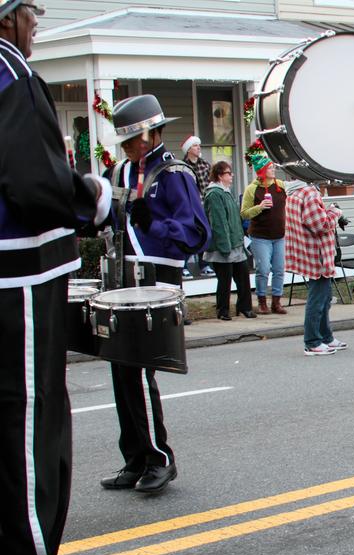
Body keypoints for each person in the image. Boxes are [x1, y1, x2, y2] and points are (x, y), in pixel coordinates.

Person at [0, 0, 117, 555]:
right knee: (26, 432)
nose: (35, 20)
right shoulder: (8, 71)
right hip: (16, 278)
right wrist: (90, 196)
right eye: (28, 10)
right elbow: (32, 182)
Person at [97, 94, 211, 494]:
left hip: (156, 278)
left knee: (140, 371)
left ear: (150, 135)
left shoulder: (172, 173)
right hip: (123, 278)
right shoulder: (119, 172)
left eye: (131, 139)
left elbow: (197, 234)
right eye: (124, 140)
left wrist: (157, 225)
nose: (126, 147)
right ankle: (136, 457)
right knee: (120, 368)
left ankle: (160, 457)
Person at [284, 180, 349, 356]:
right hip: (317, 254)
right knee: (318, 300)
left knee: (324, 298)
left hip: (307, 251)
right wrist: (335, 211)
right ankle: (312, 341)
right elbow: (321, 225)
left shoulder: (293, 193)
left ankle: (326, 337)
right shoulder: (309, 193)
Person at [202, 160, 255, 320]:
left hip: (236, 245)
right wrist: (224, 246)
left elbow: (234, 219)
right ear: (219, 175)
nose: (231, 176)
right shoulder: (214, 194)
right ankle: (222, 311)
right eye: (228, 173)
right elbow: (219, 222)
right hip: (223, 247)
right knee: (224, 281)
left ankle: (244, 307)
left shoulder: (226, 192)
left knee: (243, 277)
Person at [241, 152, 287, 315]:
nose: (273, 169)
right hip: (260, 236)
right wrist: (259, 207)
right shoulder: (252, 189)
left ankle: (276, 301)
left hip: (279, 235)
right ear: (261, 170)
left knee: (279, 269)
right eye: (270, 167)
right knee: (263, 268)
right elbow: (244, 213)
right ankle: (262, 301)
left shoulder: (280, 185)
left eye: (273, 166)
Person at [180, 135, 213, 278]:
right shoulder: (182, 166)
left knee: (205, 235)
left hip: (204, 205)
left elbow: (209, 184)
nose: (198, 148)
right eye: (194, 146)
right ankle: (183, 266)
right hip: (189, 206)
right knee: (189, 235)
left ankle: (204, 264)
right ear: (188, 149)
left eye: (199, 145)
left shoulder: (205, 165)